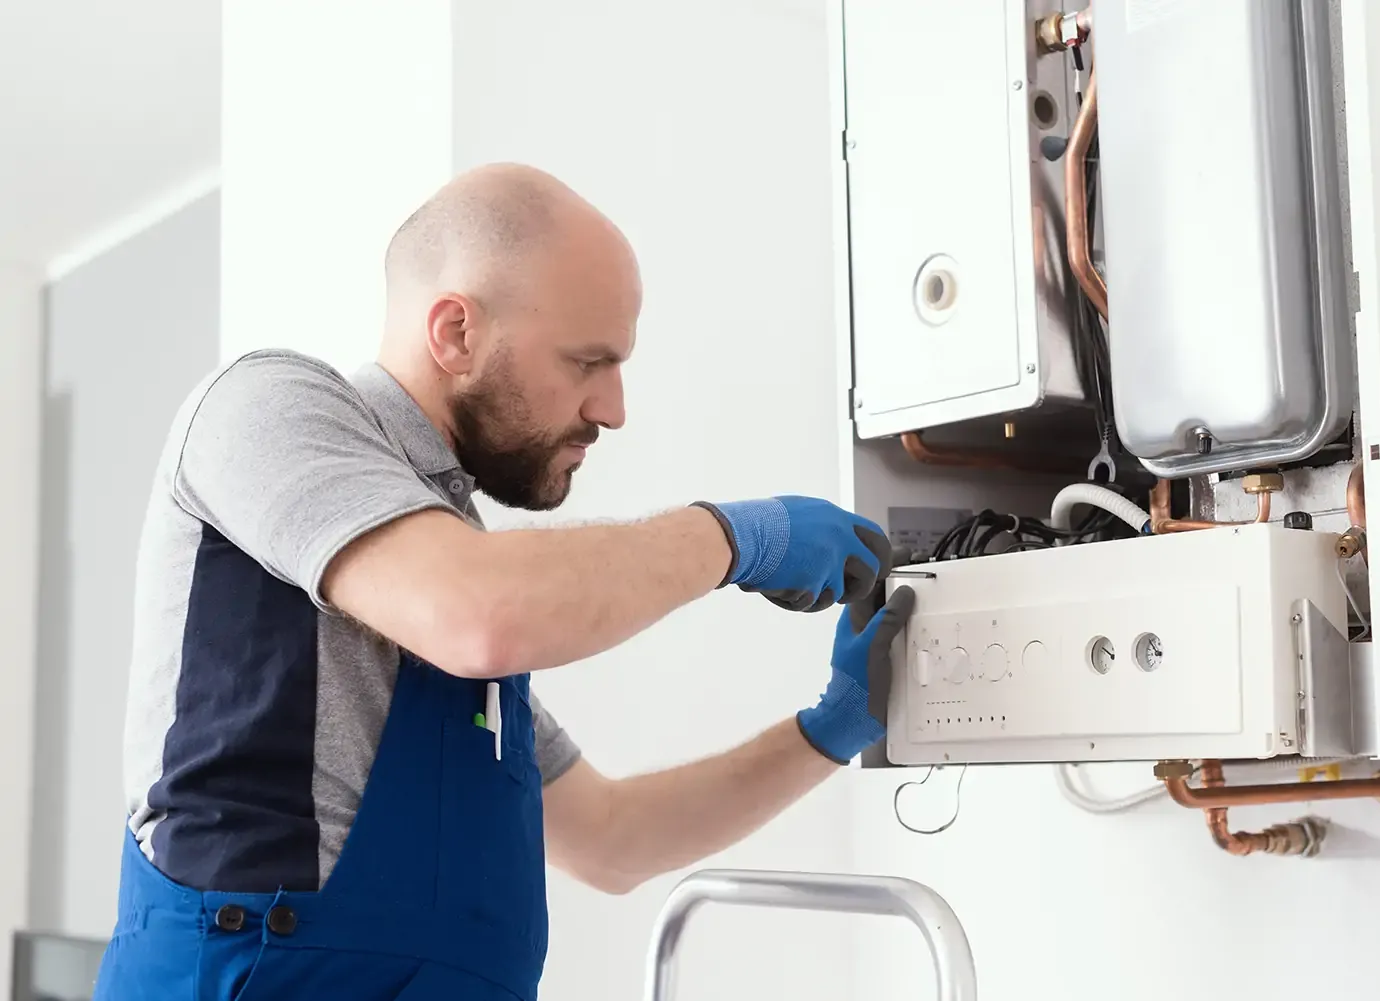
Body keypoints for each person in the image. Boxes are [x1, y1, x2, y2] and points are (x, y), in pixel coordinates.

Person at [93, 163, 916, 1001]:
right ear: (454, 331)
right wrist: (740, 537)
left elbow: (613, 838)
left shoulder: (456, 589)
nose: (614, 408)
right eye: (588, 361)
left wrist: (834, 727)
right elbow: (479, 612)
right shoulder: (265, 407)